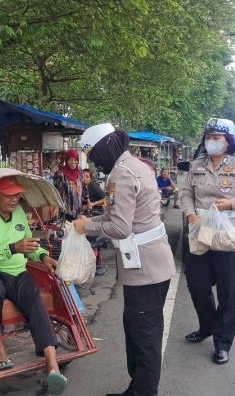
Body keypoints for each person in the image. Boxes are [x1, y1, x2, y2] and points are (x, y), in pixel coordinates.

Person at [73, 123, 176, 396]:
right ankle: (138, 388)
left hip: (146, 269)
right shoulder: (136, 166)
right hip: (148, 265)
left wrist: (88, 227)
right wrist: (91, 220)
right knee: (138, 332)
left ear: (106, 148)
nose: (95, 163)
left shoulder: (120, 175)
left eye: (94, 156)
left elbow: (120, 228)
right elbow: (112, 215)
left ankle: (144, 392)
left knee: (144, 338)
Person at [0, 176, 67, 395]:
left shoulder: (20, 212)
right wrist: (12, 247)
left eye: (17, 194)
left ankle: (52, 366)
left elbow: (28, 245)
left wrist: (41, 256)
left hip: (17, 272)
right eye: (8, 195)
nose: (15, 199)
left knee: (35, 298)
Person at [180, 117, 235, 365]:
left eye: (216, 138)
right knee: (197, 283)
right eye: (208, 137)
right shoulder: (197, 166)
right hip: (202, 232)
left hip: (233, 236)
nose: (211, 142)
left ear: (227, 142)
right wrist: (190, 214)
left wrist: (232, 203)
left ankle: (222, 342)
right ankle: (207, 326)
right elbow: (186, 193)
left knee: (230, 293)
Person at [53, 149, 83, 218]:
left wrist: (88, 200)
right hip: (66, 210)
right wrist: (56, 206)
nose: (73, 162)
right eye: (70, 160)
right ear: (66, 160)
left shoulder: (79, 170)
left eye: (75, 160)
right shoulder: (61, 174)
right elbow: (56, 191)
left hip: (79, 209)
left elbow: (83, 186)